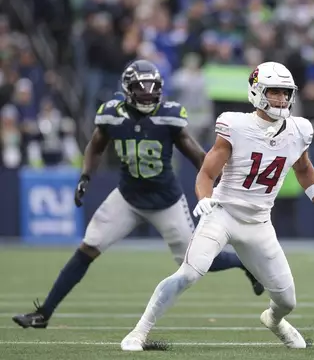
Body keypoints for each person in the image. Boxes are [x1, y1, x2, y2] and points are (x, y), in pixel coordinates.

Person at [12, 60, 263, 329]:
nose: (147, 93)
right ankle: (44, 313)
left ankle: (242, 263)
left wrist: (224, 181)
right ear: (127, 90)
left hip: (166, 201)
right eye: (140, 88)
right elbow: (95, 147)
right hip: (128, 197)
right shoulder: (111, 114)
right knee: (87, 248)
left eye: (152, 88)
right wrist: (85, 176)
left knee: (197, 261)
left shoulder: (169, 116)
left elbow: (196, 155)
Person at [120, 61, 314, 351]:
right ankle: (139, 332)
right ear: (257, 92)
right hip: (223, 214)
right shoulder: (235, 125)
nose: (281, 99)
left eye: (285, 93)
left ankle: (274, 321)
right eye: (274, 92)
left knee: (287, 301)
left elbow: (303, 168)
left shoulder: (299, 130)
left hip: (260, 223)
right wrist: (204, 199)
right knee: (189, 273)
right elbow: (207, 173)